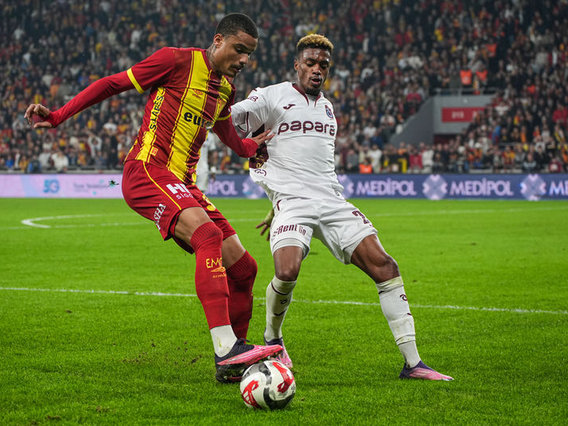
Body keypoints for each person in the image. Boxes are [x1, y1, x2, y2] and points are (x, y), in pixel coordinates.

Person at [24, 13, 281, 383]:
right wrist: (59, 115)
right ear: (218, 40)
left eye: (249, 55)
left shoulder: (225, 90)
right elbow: (112, 84)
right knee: (207, 235)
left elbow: (227, 135)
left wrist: (251, 148)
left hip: (185, 185)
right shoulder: (176, 60)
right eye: (239, 50)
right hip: (147, 170)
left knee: (244, 269)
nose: (243, 60)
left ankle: (235, 359)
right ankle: (226, 348)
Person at [232, 34, 452, 381]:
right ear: (297, 65)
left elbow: (307, 161)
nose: (317, 70)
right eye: (310, 63)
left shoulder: (328, 109)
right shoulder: (271, 95)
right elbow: (230, 118)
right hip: (293, 203)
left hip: (331, 200)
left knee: (386, 266)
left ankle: (414, 364)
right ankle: (273, 338)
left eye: (323, 65)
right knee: (287, 271)